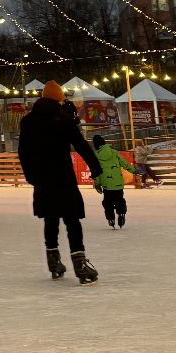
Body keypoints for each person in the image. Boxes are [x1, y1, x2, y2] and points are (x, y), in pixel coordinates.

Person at [19, 82, 102, 284]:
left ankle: (53, 261)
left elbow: (23, 151)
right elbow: (80, 145)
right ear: (59, 99)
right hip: (63, 178)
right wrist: (96, 168)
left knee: (50, 219)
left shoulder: (28, 121)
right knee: (72, 220)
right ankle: (80, 265)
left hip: (42, 179)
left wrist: (31, 175)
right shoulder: (63, 119)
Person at [91, 134, 138, 229]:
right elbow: (124, 163)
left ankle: (110, 219)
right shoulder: (113, 152)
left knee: (108, 202)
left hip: (106, 184)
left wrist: (97, 184)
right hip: (118, 182)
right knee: (119, 199)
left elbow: (96, 172)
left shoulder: (96, 156)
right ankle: (121, 213)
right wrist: (133, 170)